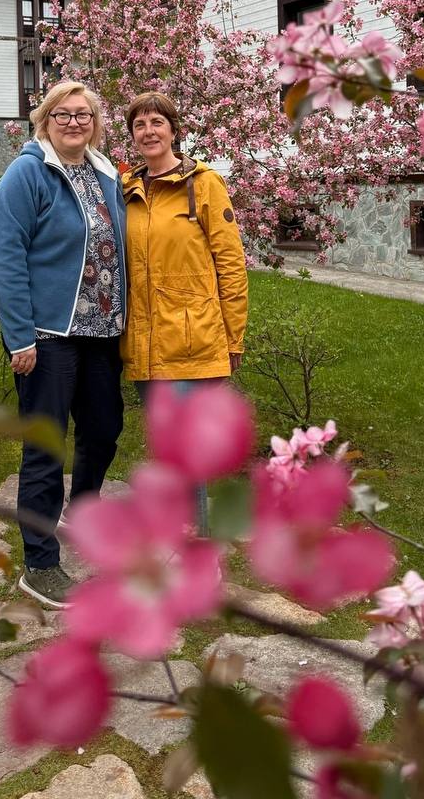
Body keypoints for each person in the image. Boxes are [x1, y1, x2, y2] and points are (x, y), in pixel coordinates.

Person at [0, 81, 126, 608]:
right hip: (48, 337)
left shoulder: (104, 172)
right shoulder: (29, 173)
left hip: (101, 333)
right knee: (46, 447)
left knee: (105, 430)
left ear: (95, 122)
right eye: (63, 114)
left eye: (84, 114)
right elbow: (5, 256)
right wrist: (19, 335)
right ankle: (39, 563)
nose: (74, 122)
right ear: (45, 120)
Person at [121, 91, 248, 533]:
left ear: (174, 130)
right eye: (139, 125)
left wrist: (234, 338)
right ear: (132, 136)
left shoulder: (204, 184)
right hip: (143, 343)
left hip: (191, 341)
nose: (149, 131)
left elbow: (231, 265)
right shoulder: (128, 190)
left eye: (157, 122)